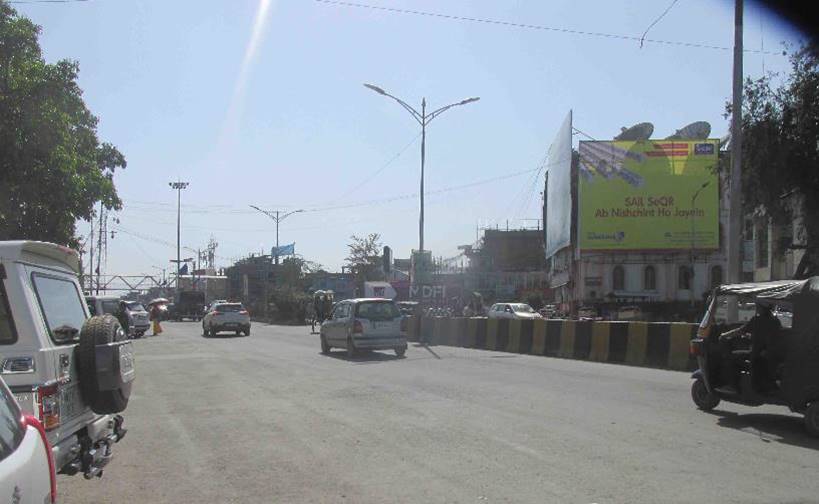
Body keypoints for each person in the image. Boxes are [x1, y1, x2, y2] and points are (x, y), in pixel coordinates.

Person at [719, 304, 781, 391]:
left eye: (758, 306)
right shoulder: (776, 321)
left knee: (731, 358)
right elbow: (769, 336)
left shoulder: (757, 320)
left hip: (756, 355)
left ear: (761, 308)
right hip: (770, 355)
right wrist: (751, 337)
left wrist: (724, 335)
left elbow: (740, 331)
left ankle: (733, 386)